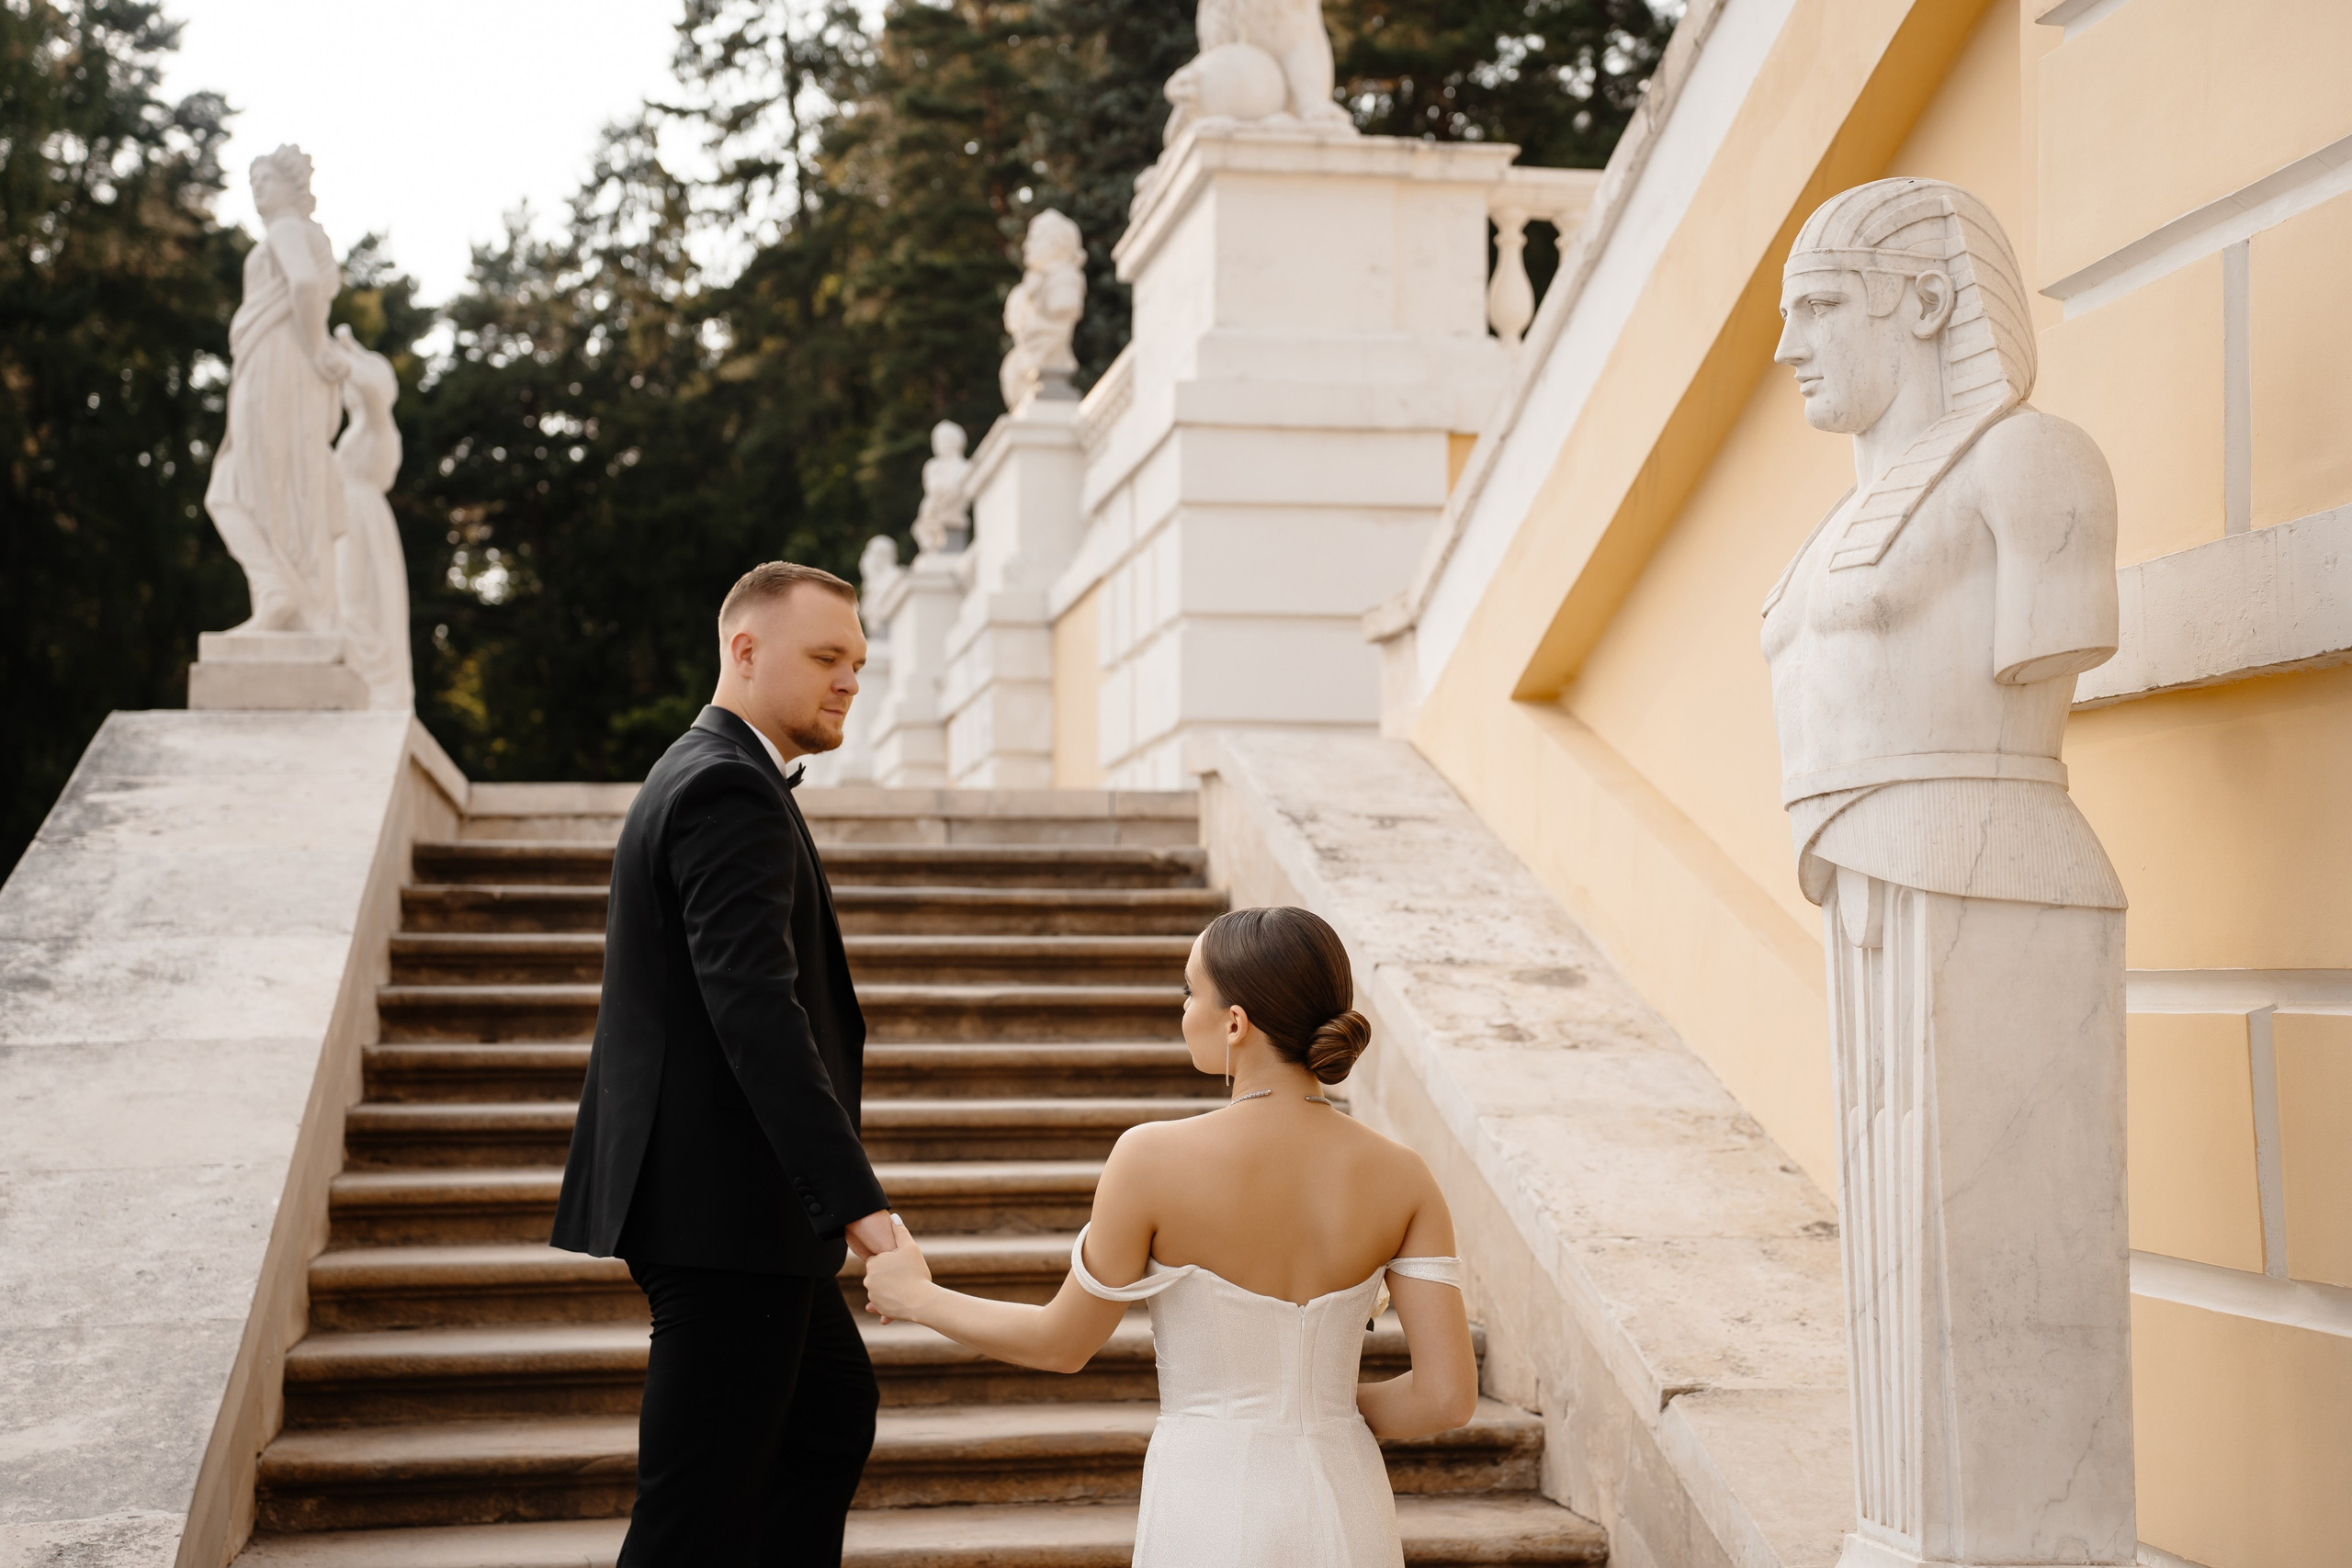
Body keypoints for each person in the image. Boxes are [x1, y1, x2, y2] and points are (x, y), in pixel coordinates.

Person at [862, 905, 1479, 1567]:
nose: (1183, 1010)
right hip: (1346, 1498)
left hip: (1205, 1498)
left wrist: (917, 1295)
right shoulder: (1405, 1175)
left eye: (1190, 991)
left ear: (1236, 1022)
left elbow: (1061, 1342)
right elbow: (1446, 1397)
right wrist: (1313, 1407)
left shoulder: (1150, 1157)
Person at [551, 561, 899, 1568]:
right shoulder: (723, 787)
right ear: (743, 652)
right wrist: (854, 1202)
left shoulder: (717, 772)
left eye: (859, 664)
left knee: (826, 1426)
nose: (849, 682)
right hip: (724, 1218)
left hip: (738, 1216)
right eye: (827, 658)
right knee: (690, 1520)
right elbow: (756, 1013)